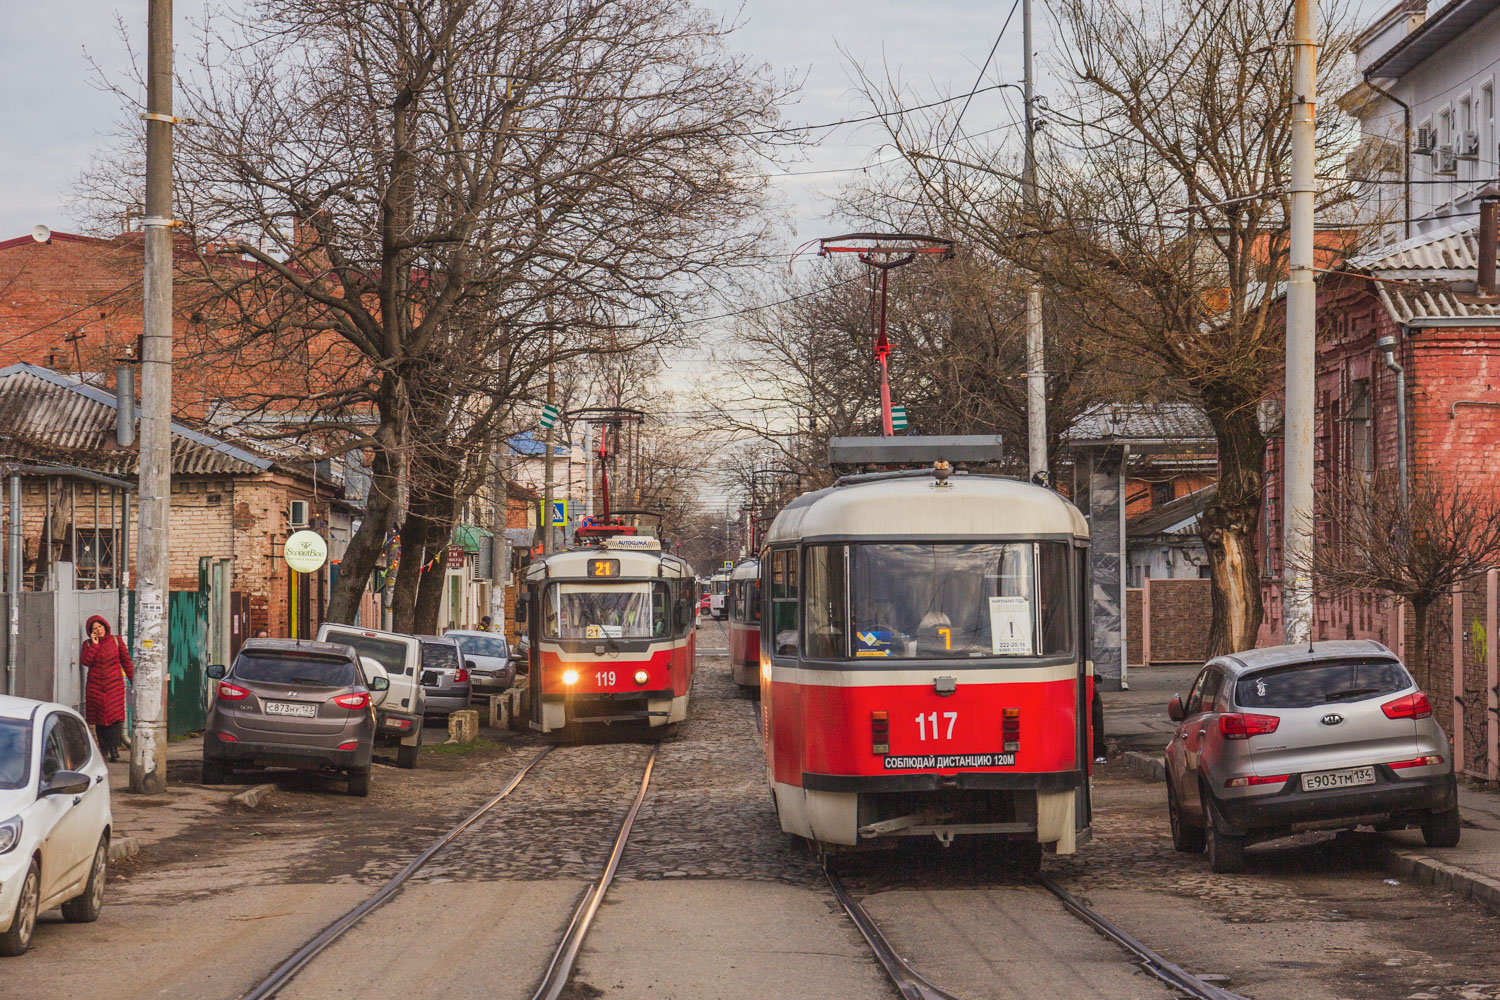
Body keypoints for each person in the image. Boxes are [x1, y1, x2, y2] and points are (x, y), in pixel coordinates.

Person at [80, 615, 134, 762]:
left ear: (105, 626)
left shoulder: (116, 641)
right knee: (99, 720)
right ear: (91, 632)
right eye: (94, 629)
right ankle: (103, 749)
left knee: (114, 719)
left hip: (114, 686)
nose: (98, 630)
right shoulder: (88, 644)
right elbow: (86, 661)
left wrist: (134, 680)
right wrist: (95, 645)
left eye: (100, 627)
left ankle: (114, 748)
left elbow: (126, 662)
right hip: (95, 687)